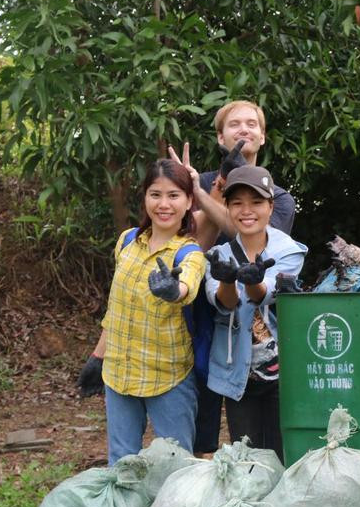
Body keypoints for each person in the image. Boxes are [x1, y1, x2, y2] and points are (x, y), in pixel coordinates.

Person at [167, 99, 297, 456]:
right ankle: (202, 466)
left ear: (264, 136)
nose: (244, 129)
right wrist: (210, 187)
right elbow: (194, 245)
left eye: (252, 123)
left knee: (263, 409)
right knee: (204, 402)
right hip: (206, 306)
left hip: (259, 317)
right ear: (221, 137)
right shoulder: (201, 182)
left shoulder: (278, 197)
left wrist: (205, 195)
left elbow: (249, 235)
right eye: (234, 124)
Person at [76, 158, 207, 464]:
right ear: (145, 198)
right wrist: (98, 356)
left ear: (189, 201)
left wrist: (174, 291)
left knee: (175, 466)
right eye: (155, 194)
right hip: (119, 373)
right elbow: (117, 308)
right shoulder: (127, 241)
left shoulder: (190, 253)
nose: (164, 204)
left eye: (174, 195)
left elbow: (187, 285)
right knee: (121, 463)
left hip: (168, 376)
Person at [202, 164, 306, 461]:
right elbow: (223, 303)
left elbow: (268, 294)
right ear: (227, 207)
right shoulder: (219, 255)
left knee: (280, 453)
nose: (247, 211)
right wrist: (226, 279)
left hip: (283, 370)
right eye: (237, 203)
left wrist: (254, 281)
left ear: (271, 206)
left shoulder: (288, 251)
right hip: (237, 372)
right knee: (244, 454)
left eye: (256, 202)